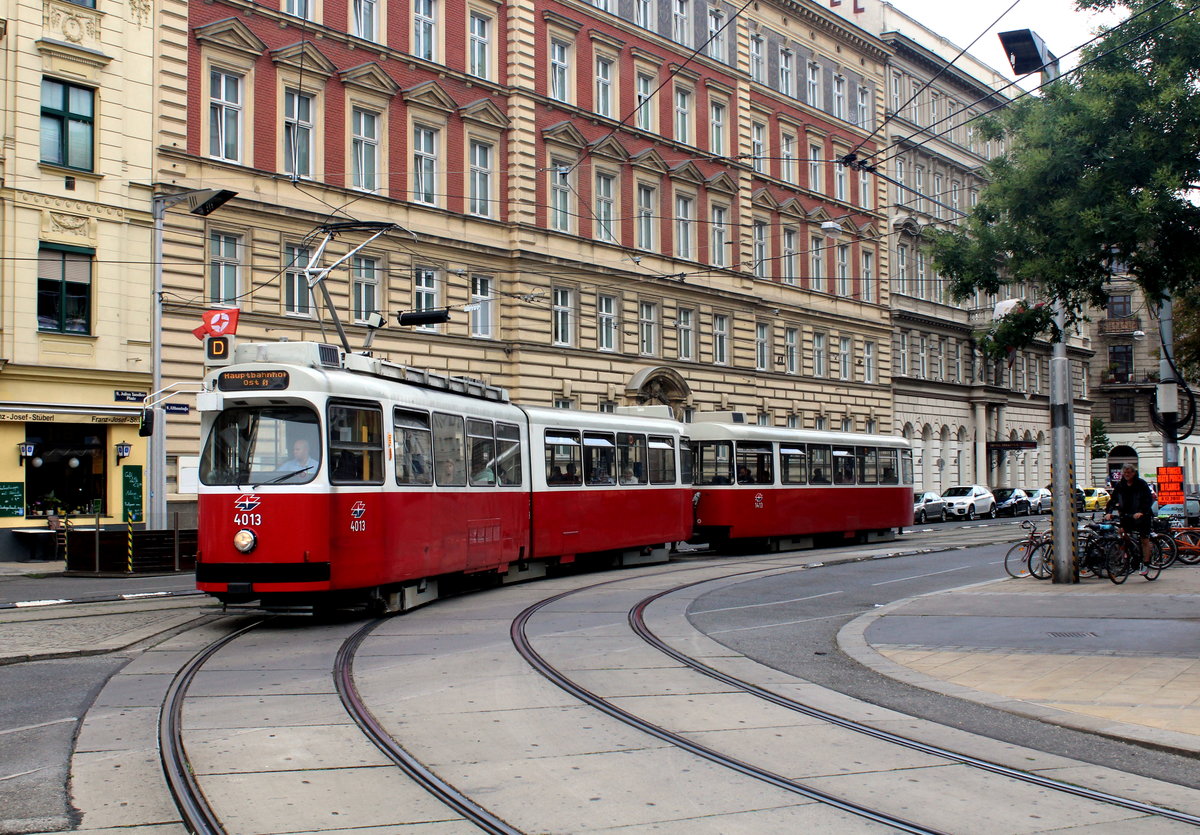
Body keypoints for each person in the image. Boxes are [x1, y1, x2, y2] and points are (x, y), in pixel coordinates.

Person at [1105, 463, 1153, 571]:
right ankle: (1129, 553)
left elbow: (1148, 499)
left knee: (1144, 539)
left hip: (1142, 516)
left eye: (1129, 472)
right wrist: (1109, 511)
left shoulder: (1141, 484)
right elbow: (1113, 500)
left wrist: (1142, 511)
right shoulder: (1120, 485)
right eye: (1124, 473)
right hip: (1126, 515)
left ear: (1133, 473)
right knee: (1121, 532)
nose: (1126, 475)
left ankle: (1146, 563)